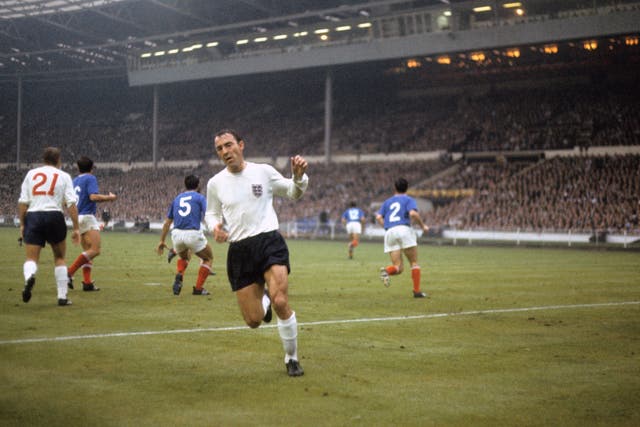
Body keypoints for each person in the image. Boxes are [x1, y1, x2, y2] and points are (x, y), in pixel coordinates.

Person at [205, 129, 308, 377]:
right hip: (239, 250)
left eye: (229, 145)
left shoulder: (263, 171)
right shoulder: (215, 183)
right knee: (253, 321)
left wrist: (298, 178)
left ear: (241, 145)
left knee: (281, 301)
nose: (225, 152)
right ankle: (264, 300)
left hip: (269, 241)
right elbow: (211, 213)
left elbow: (294, 193)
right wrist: (214, 227)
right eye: (220, 149)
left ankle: (291, 357)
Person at [18, 147, 80, 306]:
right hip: (54, 215)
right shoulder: (64, 176)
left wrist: (23, 224)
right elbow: (71, 204)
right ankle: (62, 297)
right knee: (59, 258)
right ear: (58, 160)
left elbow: (22, 202)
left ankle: (29, 277)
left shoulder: (31, 174)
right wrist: (76, 228)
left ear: (43, 159)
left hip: (34, 215)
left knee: (31, 258)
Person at [156, 174, 214, 296]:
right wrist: (215, 228)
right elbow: (209, 214)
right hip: (192, 233)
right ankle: (198, 289)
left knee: (185, 257)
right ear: (198, 185)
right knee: (208, 258)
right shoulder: (199, 198)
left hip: (176, 235)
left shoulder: (177, 199)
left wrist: (161, 240)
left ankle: (180, 274)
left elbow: (167, 223)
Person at [67, 156, 117, 292]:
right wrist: (110, 198)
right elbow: (93, 197)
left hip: (77, 217)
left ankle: (87, 283)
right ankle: (69, 273)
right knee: (95, 250)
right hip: (87, 216)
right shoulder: (90, 178)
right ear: (91, 168)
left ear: (78, 168)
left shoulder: (75, 181)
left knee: (87, 252)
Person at [375, 177, 430, 298]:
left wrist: (388, 227)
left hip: (390, 232)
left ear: (394, 188)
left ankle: (386, 271)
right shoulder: (408, 200)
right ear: (407, 187)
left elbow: (378, 217)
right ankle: (416, 291)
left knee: (398, 268)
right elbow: (413, 213)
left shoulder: (387, 202)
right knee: (414, 263)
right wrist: (423, 226)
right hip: (404, 229)